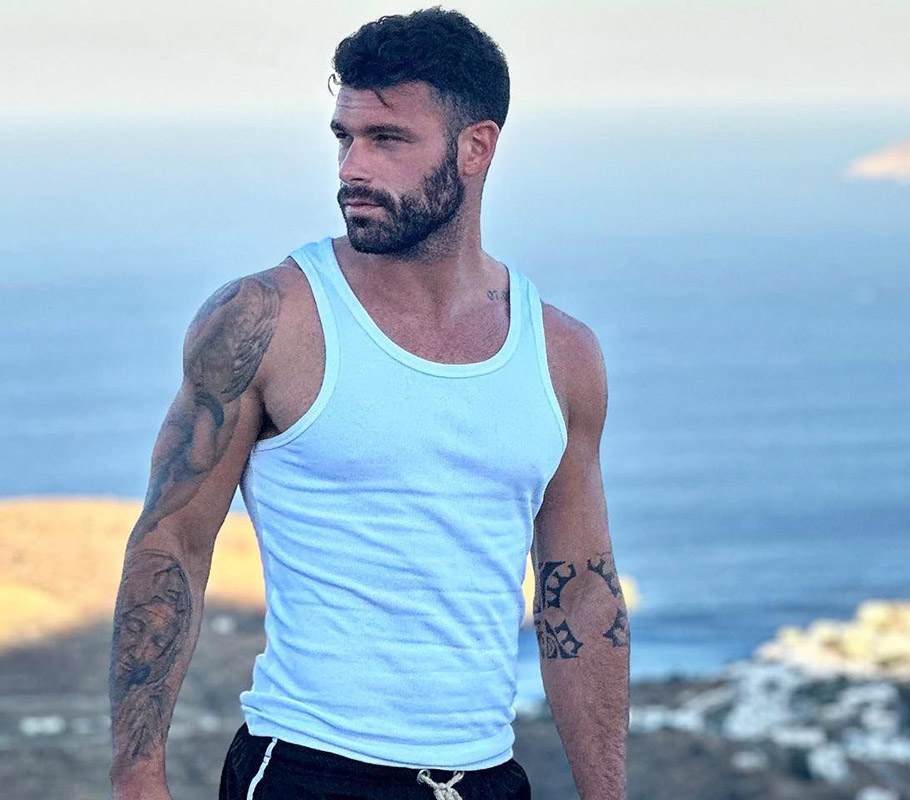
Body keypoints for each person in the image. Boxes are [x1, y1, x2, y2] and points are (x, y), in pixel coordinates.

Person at [107, 8, 630, 799]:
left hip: (485, 777)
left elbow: (580, 593)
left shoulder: (562, 355)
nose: (353, 167)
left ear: (476, 147)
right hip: (304, 769)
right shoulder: (264, 321)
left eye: (387, 139)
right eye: (344, 137)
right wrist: (137, 776)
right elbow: (171, 543)